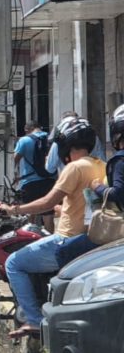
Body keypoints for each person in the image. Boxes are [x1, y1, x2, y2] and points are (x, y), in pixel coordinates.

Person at [0, 117, 105, 338]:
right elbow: (81, 205)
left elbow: (46, 202)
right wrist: (60, 210)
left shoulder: (74, 168)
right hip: (89, 239)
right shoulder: (100, 165)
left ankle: (34, 320)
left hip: (67, 239)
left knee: (14, 263)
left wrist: (13, 209)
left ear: (66, 145)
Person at [56, 105, 124, 266]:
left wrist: (97, 188)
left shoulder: (120, 161)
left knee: (63, 250)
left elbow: (118, 193)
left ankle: (67, 290)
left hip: (116, 227)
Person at [14, 121, 58, 232]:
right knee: (48, 215)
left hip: (29, 182)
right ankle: (49, 240)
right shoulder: (50, 139)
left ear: (28, 129)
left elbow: (15, 159)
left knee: (29, 214)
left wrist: (16, 175)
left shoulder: (24, 140)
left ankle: (29, 240)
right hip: (49, 181)